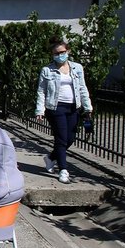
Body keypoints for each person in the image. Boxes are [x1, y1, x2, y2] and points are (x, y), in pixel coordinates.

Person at [35, 38, 93, 184]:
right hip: (55, 107)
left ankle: (50, 158)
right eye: (56, 53)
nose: (59, 55)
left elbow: (82, 88)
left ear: (68, 51)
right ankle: (63, 170)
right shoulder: (47, 70)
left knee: (70, 138)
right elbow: (41, 91)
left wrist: (88, 107)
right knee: (61, 139)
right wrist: (39, 110)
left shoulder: (77, 68)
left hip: (73, 107)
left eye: (62, 52)